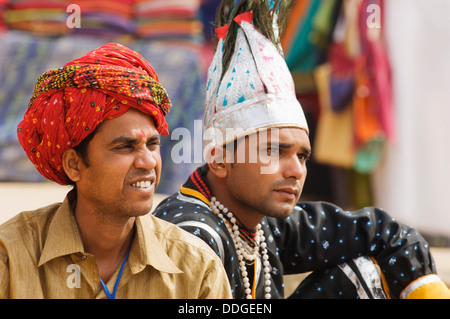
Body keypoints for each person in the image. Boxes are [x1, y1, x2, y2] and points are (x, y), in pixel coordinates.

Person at [153, 0, 450, 299]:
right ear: (218, 158)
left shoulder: (259, 221)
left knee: (370, 270)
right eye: (274, 151)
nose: (296, 170)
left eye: (302, 156)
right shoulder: (191, 236)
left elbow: (383, 232)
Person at [0, 43, 232, 299]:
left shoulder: (197, 268)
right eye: (125, 147)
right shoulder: (10, 257)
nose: (148, 162)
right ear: (74, 165)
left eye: (153, 144)